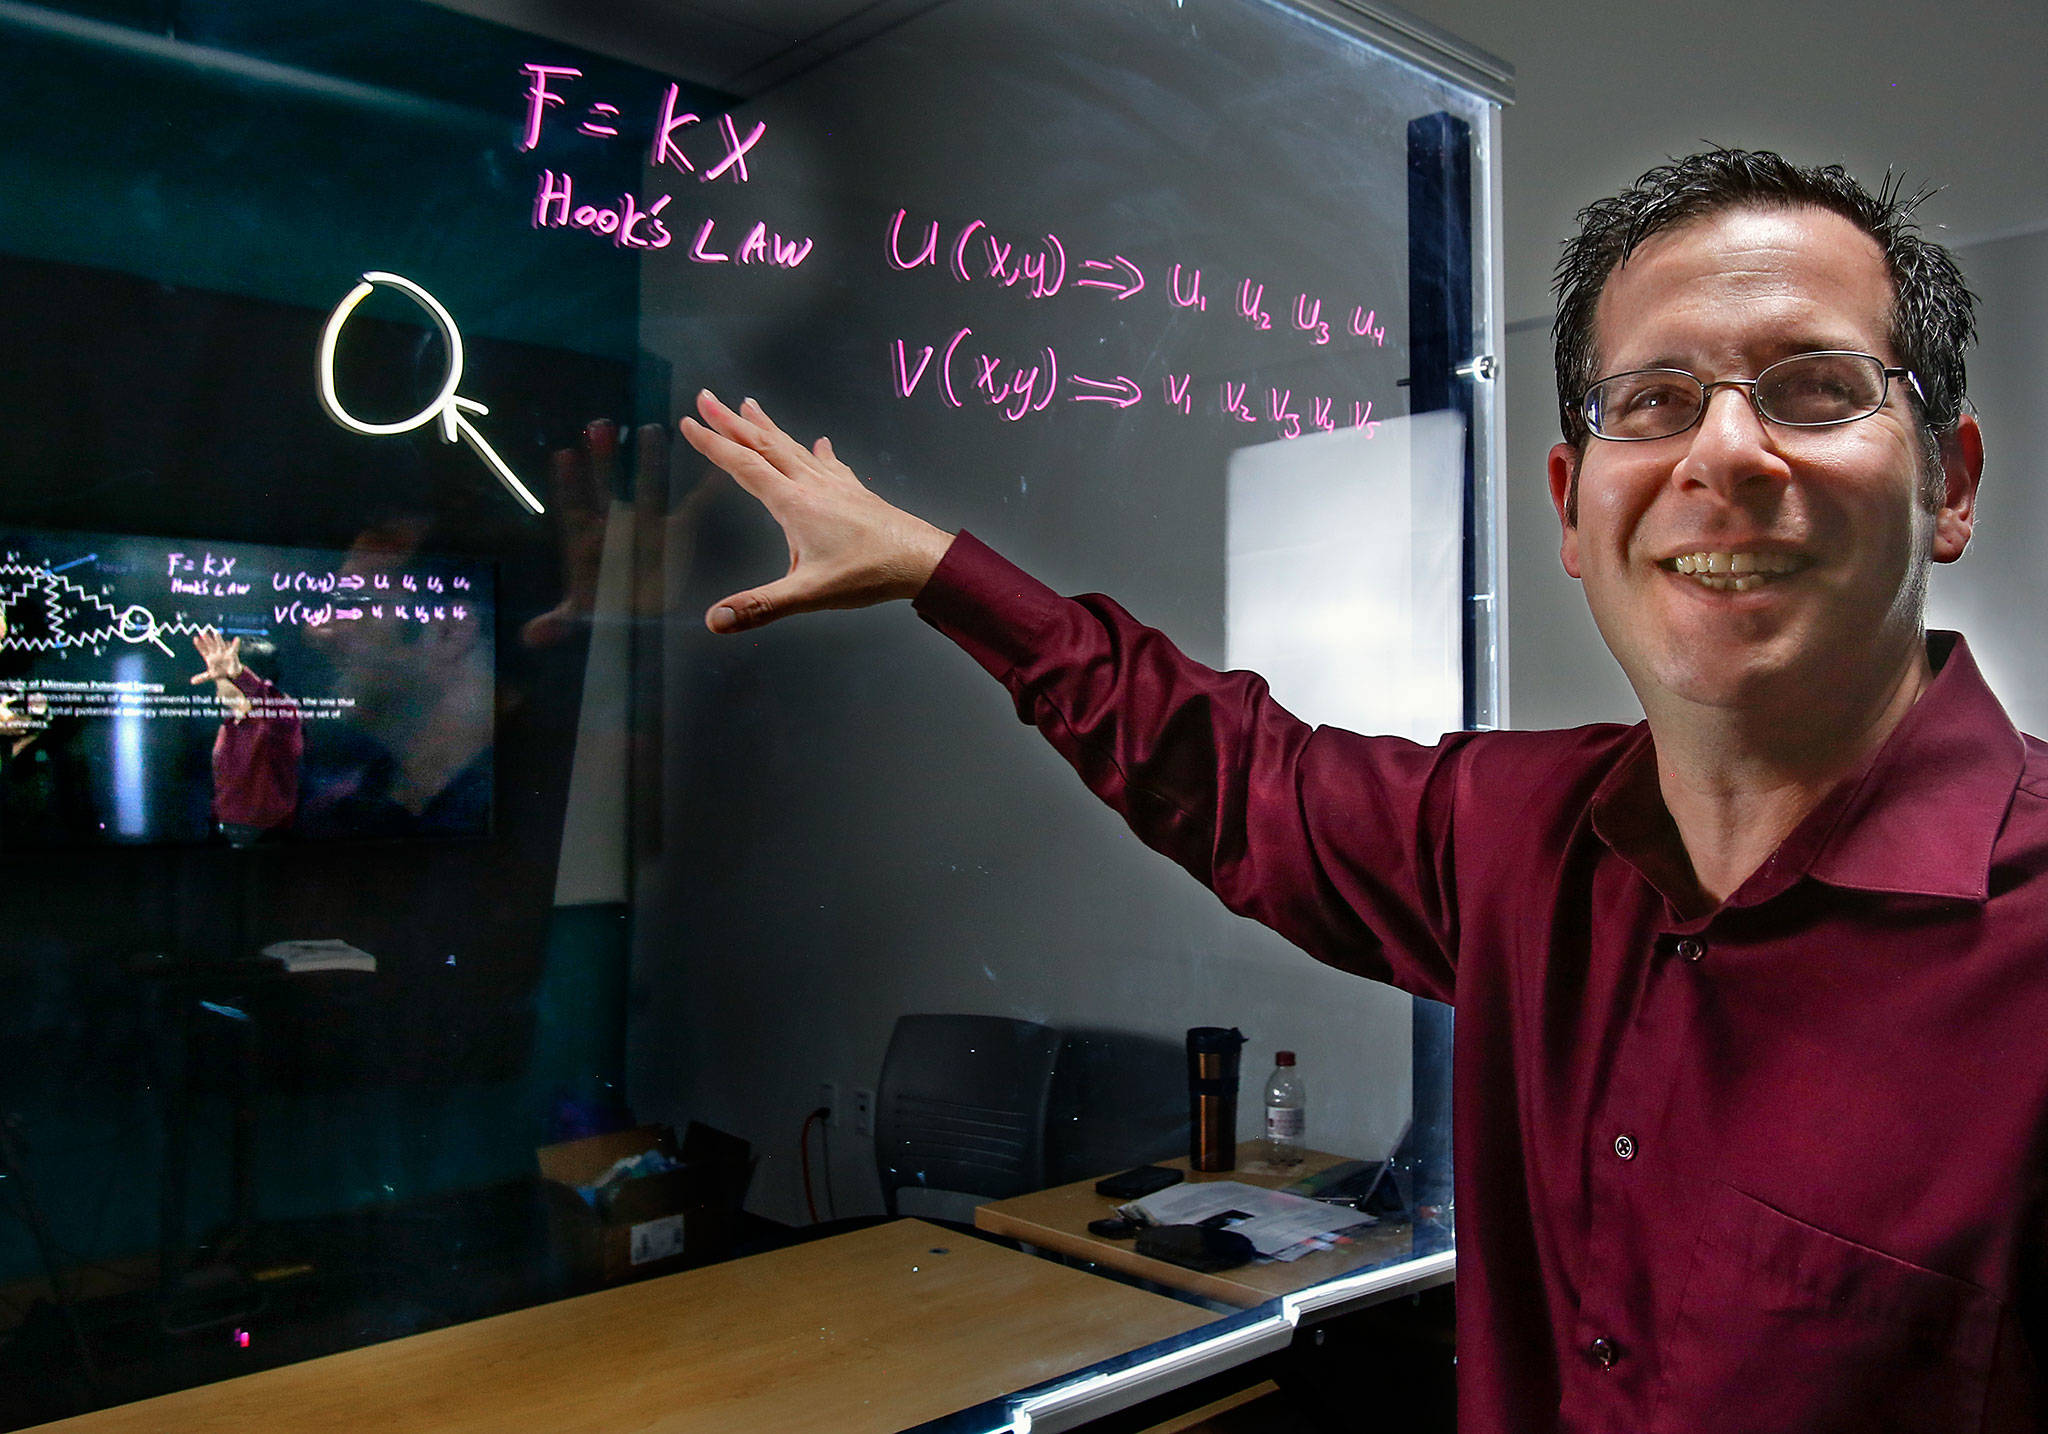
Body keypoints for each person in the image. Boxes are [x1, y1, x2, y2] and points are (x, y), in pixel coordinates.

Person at [678, 148, 2043, 1431]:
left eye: (1816, 386)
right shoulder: (1512, 834)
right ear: (1571, 509)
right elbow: (1225, 766)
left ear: (1952, 482)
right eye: (1655, 401)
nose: (1726, 454)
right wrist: (933, 567)